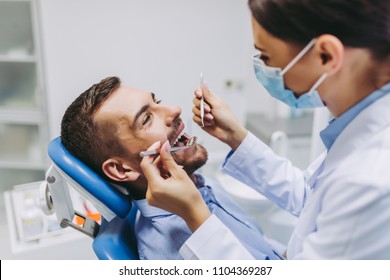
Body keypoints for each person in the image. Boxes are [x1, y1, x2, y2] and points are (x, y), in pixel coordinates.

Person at [140, 0, 390, 259]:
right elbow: (312, 197)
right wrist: (236, 136)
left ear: (326, 55)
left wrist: (195, 214)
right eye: (146, 117)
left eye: (267, 57)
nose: (175, 110)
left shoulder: (369, 178)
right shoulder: (361, 133)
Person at [60, 76, 283, 260]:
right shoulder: (166, 254)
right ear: (121, 169)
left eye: (158, 100)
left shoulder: (197, 184)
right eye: (147, 118)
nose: (175, 109)